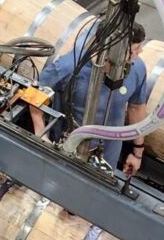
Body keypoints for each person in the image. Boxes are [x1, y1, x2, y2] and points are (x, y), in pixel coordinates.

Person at [36, 21, 150, 175]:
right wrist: (40, 133)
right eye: (133, 50)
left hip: (108, 155)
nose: (139, 53)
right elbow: (36, 93)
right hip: (68, 147)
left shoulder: (137, 68)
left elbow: (136, 108)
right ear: (112, 50)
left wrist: (137, 153)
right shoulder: (70, 66)